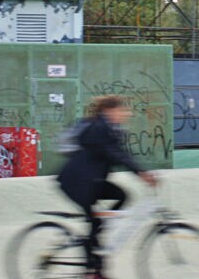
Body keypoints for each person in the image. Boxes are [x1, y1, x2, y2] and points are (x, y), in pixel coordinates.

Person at [57, 95, 157, 278]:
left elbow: (121, 153)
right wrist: (141, 173)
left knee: (122, 196)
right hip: (77, 182)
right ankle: (92, 270)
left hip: (92, 181)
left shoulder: (111, 129)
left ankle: (100, 236)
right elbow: (114, 154)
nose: (126, 114)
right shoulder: (98, 128)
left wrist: (141, 171)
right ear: (109, 111)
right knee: (94, 225)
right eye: (122, 110)